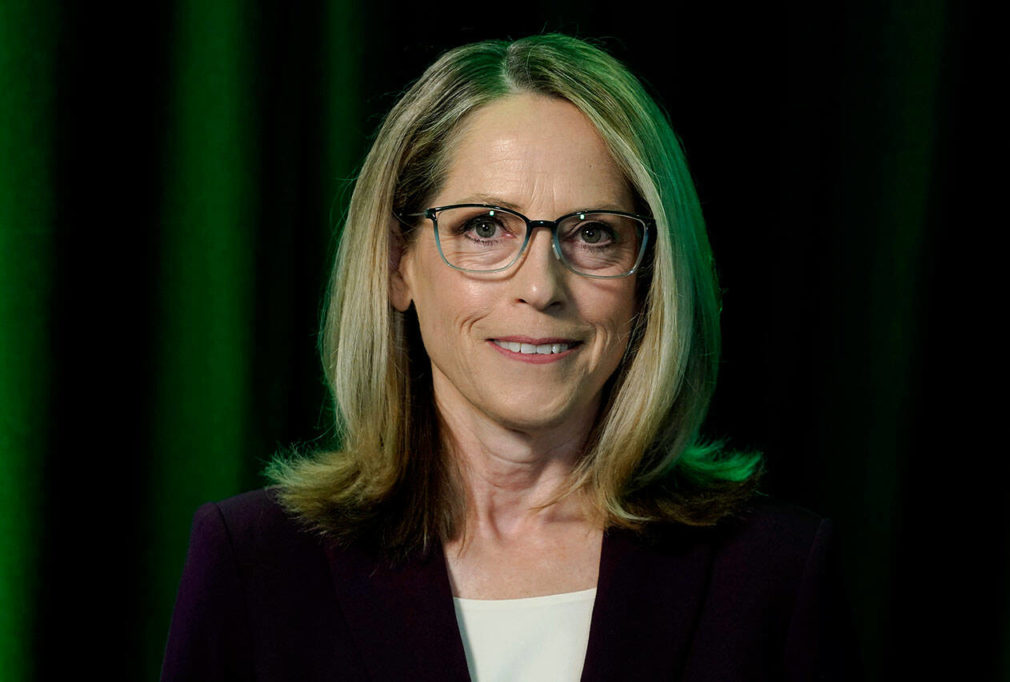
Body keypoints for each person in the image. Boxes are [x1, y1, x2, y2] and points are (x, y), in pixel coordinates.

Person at [161, 34, 856, 681]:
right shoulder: (255, 562)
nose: (540, 287)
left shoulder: (775, 574)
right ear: (398, 263)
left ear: (650, 279)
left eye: (594, 235)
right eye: (485, 227)